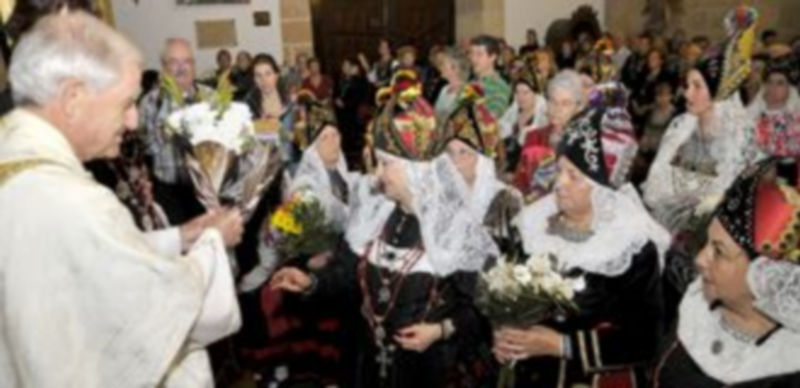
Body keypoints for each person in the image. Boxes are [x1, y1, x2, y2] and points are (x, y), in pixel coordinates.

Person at [0, 11, 242, 387]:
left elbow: (93, 258)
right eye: (125, 103)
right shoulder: (75, 200)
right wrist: (213, 243)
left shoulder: (18, 161)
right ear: (74, 98)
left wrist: (181, 236)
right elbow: (154, 310)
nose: (132, 121)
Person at [270, 71, 499, 387]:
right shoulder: (375, 213)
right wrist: (310, 282)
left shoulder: (456, 226)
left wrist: (441, 330)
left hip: (428, 370)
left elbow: (484, 307)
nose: (377, 174)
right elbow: (347, 273)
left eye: (385, 163)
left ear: (417, 169)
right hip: (367, 363)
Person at [497, 104, 669, 388]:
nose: (559, 184)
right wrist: (504, 335)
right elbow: (506, 295)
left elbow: (645, 340)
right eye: (560, 169)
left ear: (602, 190)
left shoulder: (631, 247)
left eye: (574, 175)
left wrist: (563, 345)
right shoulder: (533, 225)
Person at [239, 94, 357, 386]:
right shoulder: (305, 184)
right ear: (313, 147)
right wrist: (313, 253)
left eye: (335, 134)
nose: (334, 142)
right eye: (325, 137)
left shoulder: (345, 176)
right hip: (310, 266)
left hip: (340, 265)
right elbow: (283, 232)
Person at [653, 159, 800, 387]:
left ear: (767, 276)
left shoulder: (787, 367)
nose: (701, 259)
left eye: (719, 251)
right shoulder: (699, 303)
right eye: (707, 243)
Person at [643, 6, 762, 236]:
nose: (687, 93)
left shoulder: (737, 137)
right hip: (667, 228)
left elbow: (730, 197)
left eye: (697, 86)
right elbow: (657, 181)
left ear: (718, 92)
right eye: (688, 85)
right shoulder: (681, 127)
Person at [440, 83, 523, 254]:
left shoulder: (505, 200)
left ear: (483, 161)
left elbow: (512, 256)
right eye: (450, 152)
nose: (455, 161)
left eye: (464, 152)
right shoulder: (439, 197)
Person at [139, 37, 212, 225]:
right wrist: (165, 130)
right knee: (180, 247)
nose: (182, 67)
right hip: (168, 190)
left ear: (194, 66)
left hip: (205, 188)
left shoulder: (210, 97)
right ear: (164, 67)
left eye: (187, 61)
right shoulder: (151, 102)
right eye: (174, 62)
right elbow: (144, 148)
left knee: (210, 242)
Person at [512, 70, 584, 202]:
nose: (557, 109)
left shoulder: (583, 142)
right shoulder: (533, 137)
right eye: (553, 101)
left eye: (565, 104)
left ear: (578, 108)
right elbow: (520, 182)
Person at [244, 53, 296, 164]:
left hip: (291, 163)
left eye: (268, 74)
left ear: (276, 75)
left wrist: (275, 129)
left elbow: (302, 138)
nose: (264, 80)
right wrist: (265, 128)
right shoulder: (249, 103)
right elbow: (245, 139)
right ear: (254, 79)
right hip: (263, 165)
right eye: (258, 75)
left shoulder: (290, 100)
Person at [498, 59, 548, 173]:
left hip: (530, 171)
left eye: (526, 92)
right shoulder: (513, 114)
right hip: (507, 169)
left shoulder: (542, 119)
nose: (520, 97)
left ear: (536, 94)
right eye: (517, 92)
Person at [334, 57, 370, 166]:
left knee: (355, 138)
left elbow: (360, 97)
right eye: (343, 66)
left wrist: (345, 103)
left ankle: (357, 162)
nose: (345, 68)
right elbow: (336, 92)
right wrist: (336, 100)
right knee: (344, 139)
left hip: (353, 114)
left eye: (347, 66)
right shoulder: (340, 80)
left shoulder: (358, 80)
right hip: (341, 114)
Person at [470, 34, 511, 120]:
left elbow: (492, 115)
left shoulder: (500, 86)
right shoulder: (472, 83)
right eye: (472, 53)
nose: (473, 59)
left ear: (492, 57)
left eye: (479, 54)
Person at [433, 46, 470, 118]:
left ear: (455, 68)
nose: (439, 67)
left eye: (443, 63)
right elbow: (436, 114)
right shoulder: (444, 89)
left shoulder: (466, 91)